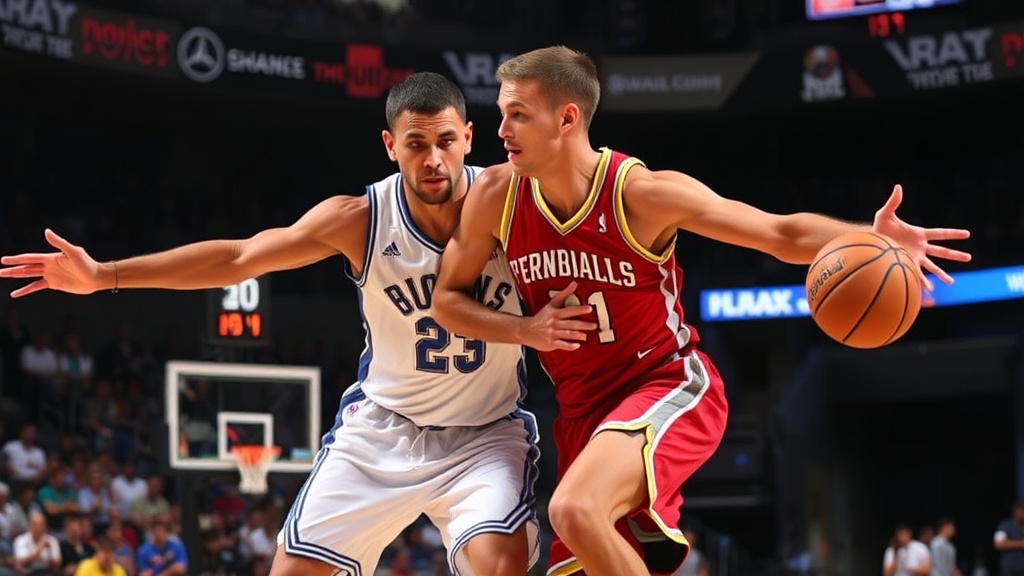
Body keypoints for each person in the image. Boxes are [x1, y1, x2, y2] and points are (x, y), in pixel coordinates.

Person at [431, 45, 972, 576]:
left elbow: (779, 233)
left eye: (517, 115)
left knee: (574, 509)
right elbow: (446, 301)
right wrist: (526, 329)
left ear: (567, 118)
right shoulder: (497, 196)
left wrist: (870, 237)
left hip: (666, 383)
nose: (501, 131)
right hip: (582, 417)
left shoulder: (640, 195)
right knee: (582, 535)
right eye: (501, 115)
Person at [0, 71, 539, 576]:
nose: (433, 159)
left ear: (469, 137)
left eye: (445, 141)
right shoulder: (361, 219)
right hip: (383, 430)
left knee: (498, 565)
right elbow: (240, 258)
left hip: (484, 435)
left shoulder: (516, 203)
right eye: (416, 144)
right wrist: (104, 275)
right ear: (390, 146)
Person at [994, 502, 1024, 576]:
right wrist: (1021, 543)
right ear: (1015, 512)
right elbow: (998, 544)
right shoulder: (1005, 525)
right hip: (1010, 569)